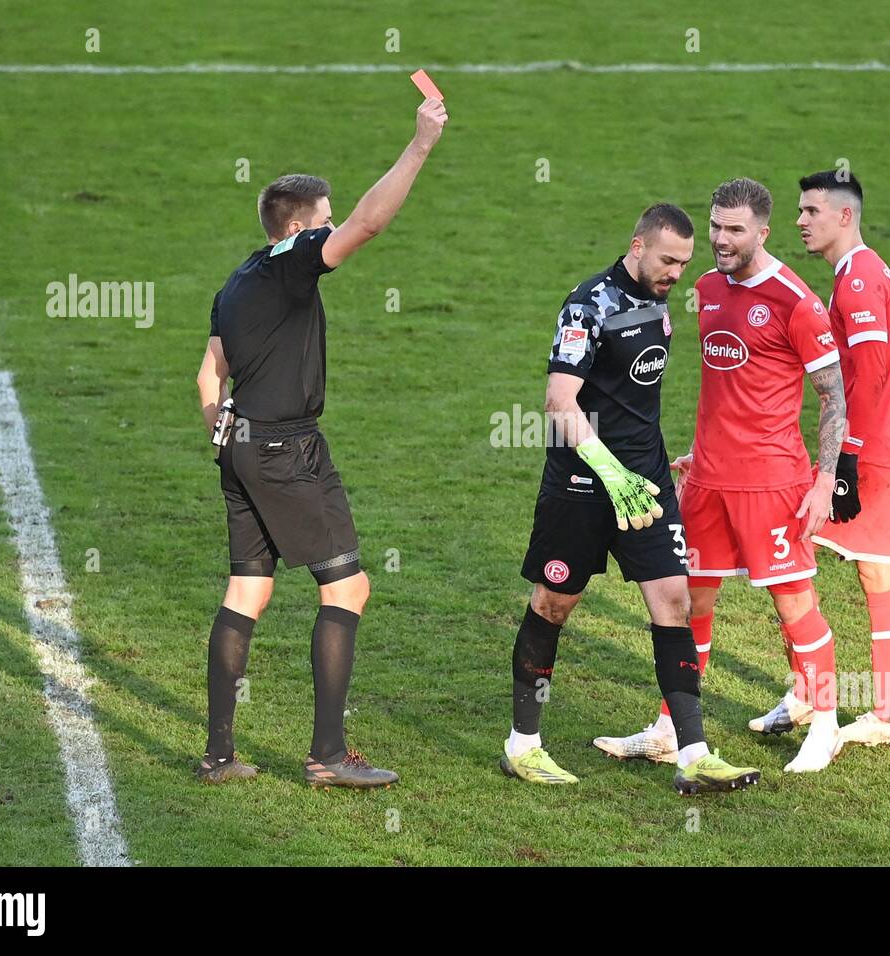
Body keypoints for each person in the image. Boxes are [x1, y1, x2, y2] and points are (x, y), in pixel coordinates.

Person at [194, 97, 448, 787]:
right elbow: (368, 222)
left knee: (247, 590)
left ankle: (220, 756)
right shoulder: (291, 260)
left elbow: (209, 371)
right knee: (349, 586)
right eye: (323, 219)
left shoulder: (238, 279)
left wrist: (221, 424)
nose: (332, 226)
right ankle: (328, 758)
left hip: (241, 445)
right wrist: (420, 144)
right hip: (286, 450)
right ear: (300, 229)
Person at [595, 178, 849, 773]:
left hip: (772, 482)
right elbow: (729, 386)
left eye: (734, 229)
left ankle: (827, 720)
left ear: (763, 231)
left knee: (792, 604)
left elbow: (834, 398)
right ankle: (668, 727)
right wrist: (696, 450)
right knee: (687, 603)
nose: (720, 239)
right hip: (708, 479)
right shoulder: (706, 288)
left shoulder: (795, 302)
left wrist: (823, 481)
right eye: (715, 226)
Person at [506, 203, 760, 795]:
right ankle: (523, 746)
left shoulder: (661, 301)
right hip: (583, 486)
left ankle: (693, 755)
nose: (676, 272)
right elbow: (559, 403)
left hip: (644, 486)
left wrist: (641, 468)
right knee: (552, 605)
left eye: (684, 263)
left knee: (674, 601)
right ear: (638, 246)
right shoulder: (588, 305)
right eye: (668, 259)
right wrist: (609, 472)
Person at [765, 169, 890, 749]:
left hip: (870, 454)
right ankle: (884, 713)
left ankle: (814, 694)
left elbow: (873, 373)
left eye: (810, 212)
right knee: (875, 571)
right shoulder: (865, 273)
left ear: (844, 216)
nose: (800, 222)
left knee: (785, 548)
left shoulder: (856, 282)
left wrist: (846, 459)